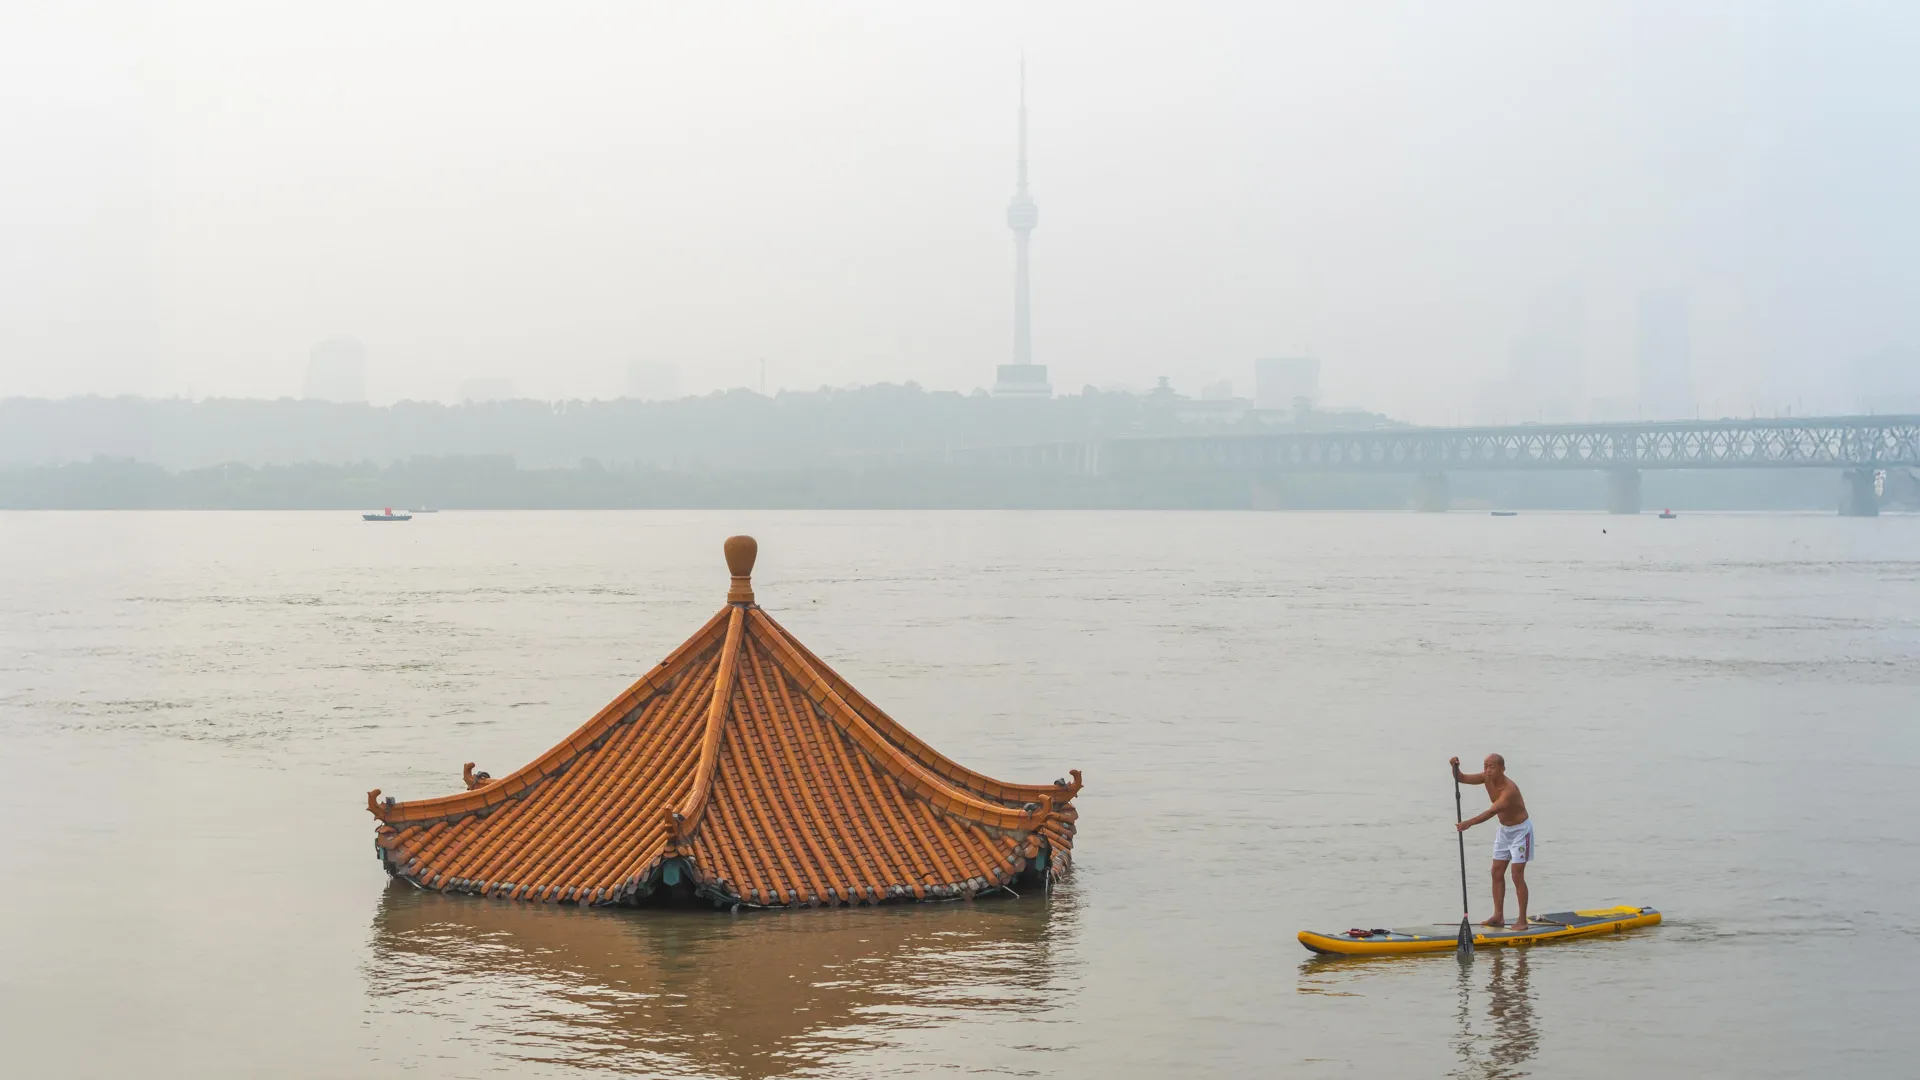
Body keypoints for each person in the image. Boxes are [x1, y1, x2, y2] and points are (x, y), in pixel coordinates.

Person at [1451, 753, 1534, 928]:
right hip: (1504, 831)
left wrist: (1469, 823)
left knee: (1517, 875)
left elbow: (1491, 812)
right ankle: (1498, 916)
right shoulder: (1485, 778)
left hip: (1521, 831)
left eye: (1492, 767)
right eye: (1485, 766)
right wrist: (1454, 767)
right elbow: (1461, 778)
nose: (1487, 770)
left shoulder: (1509, 790)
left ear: (1502, 769)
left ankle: (1522, 920)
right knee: (1496, 872)